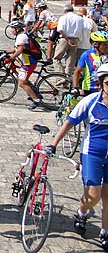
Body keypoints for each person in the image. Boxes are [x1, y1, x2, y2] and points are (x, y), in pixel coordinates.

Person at [46, 64, 108, 250]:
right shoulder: (90, 101)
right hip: (92, 153)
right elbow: (69, 123)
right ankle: (82, 212)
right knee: (94, 196)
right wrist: (53, 144)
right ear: (101, 83)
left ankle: (105, 232)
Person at [5, 20, 41, 110]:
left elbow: (19, 50)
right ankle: (34, 92)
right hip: (26, 63)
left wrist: (11, 58)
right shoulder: (21, 36)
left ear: (17, 29)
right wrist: (3, 52)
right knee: (25, 80)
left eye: (12, 28)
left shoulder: (21, 37)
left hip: (29, 63)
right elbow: (15, 49)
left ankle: (36, 100)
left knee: (22, 83)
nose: (11, 30)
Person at [55, 4, 87, 77]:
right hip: (75, 39)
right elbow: (83, 29)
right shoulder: (79, 18)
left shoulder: (63, 17)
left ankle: (61, 76)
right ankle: (67, 77)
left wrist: (67, 39)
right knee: (71, 60)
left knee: (57, 58)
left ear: (65, 11)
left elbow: (60, 29)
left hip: (65, 39)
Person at [72, 31, 108, 96]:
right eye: (105, 44)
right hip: (89, 89)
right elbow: (77, 71)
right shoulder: (87, 55)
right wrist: (75, 87)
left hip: (105, 89)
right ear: (96, 44)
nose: (107, 46)